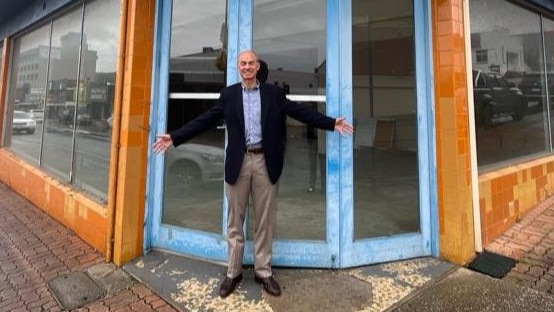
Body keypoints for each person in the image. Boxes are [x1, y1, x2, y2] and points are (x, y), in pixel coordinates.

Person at [152, 50, 353, 298]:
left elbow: (299, 111)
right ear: (238, 67)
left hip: (263, 162)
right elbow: (204, 120)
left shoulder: (273, 94)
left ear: (257, 67)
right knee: (235, 221)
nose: (247, 67)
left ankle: (263, 272)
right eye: (243, 63)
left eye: (251, 63)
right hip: (238, 163)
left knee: (264, 221)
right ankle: (233, 272)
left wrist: (332, 123)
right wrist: (175, 137)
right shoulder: (229, 95)